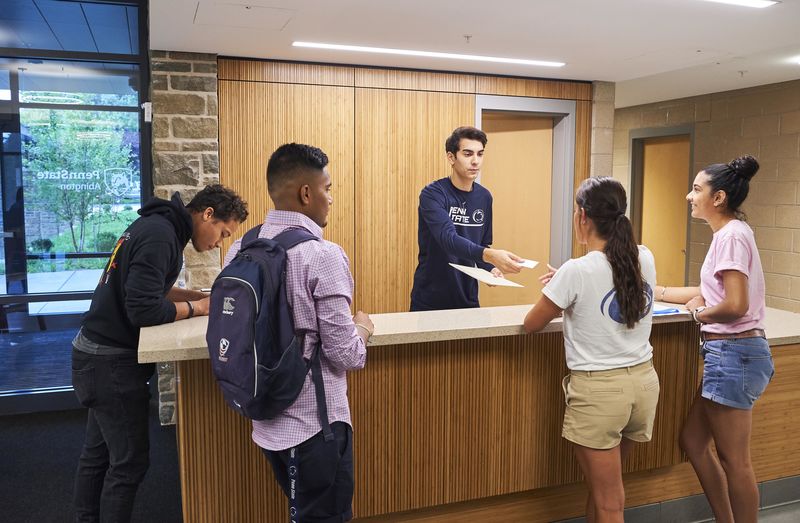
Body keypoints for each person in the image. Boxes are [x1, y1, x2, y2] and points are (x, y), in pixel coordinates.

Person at [71, 184, 248, 522]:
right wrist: (198, 308)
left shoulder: (159, 226)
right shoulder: (161, 236)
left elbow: (155, 291)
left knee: (98, 454)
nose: (218, 244)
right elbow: (143, 309)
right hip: (109, 364)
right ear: (207, 214)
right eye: (222, 233)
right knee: (128, 463)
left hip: (95, 355)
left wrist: (197, 296)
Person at [223, 143, 371, 522]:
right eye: (327, 188)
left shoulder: (240, 247)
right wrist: (363, 328)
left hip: (263, 419)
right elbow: (347, 354)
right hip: (315, 426)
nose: (331, 199)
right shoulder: (322, 255)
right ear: (306, 194)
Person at [523, 176, 658, 523]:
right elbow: (609, 279)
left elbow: (532, 323)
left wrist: (564, 286)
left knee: (610, 502)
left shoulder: (577, 270)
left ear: (583, 215)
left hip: (600, 394)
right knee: (602, 492)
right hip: (642, 387)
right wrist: (568, 283)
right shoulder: (644, 256)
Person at [655, 155, 772, 523]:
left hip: (734, 354)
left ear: (718, 197)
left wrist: (697, 313)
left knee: (736, 461)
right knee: (693, 441)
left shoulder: (731, 236)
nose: (689, 196)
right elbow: (712, 289)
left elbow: (735, 304)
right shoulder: (731, 233)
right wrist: (656, 290)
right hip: (731, 355)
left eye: (696, 189)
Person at [410, 126, 523, 311]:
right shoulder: (433, 194)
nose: (475, 161)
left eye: (480, 154)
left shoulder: (484, 197)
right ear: (451, 157)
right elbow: (448, 239)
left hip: (468, 299)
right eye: (468, 154)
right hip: (430, 299)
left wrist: (488, 268)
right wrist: (491, 256)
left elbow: (482, 244)